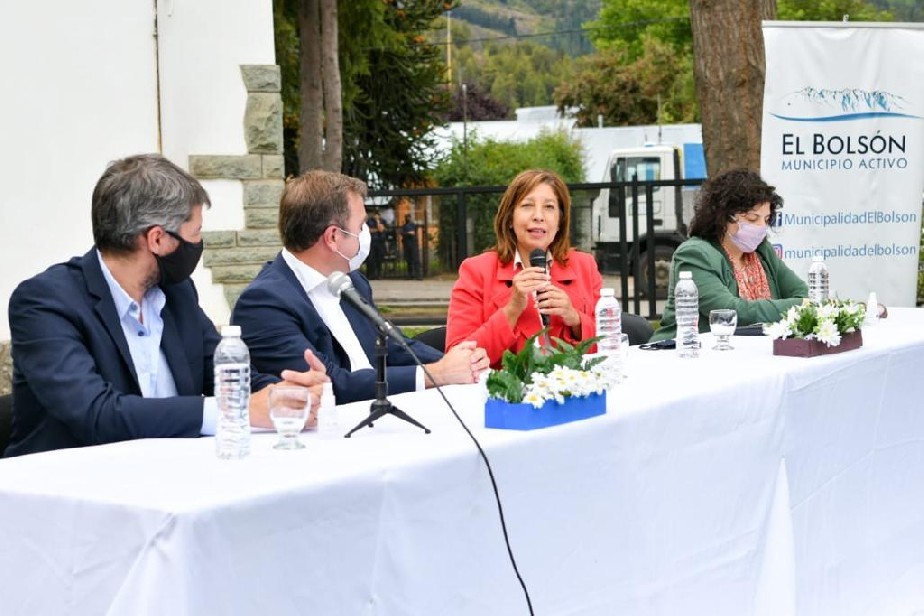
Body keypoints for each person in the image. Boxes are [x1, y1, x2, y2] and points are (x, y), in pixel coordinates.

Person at [5, 154, 327, 458]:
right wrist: (237, 410)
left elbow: (221, 374)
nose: (198, 245)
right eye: (196, 233)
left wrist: (284, 393)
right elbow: (95, 414)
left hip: (172, 473)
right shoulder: (44, 303)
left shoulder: (177, 293)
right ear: (157, 239)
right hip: (66, 493)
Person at [231, 170, 490, 404]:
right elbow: (330, 385)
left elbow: (390, 345)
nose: (366, 233)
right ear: (333, 237)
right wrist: (436, 374)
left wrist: (460, 362)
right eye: (361, 225)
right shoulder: (263, 304)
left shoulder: (352, 281)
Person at [446, 169, 602, 368]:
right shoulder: (476, 271)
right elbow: (456, 361)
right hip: (505, 394)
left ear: (560, 222)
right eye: (527, 206)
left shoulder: (584, 265)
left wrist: (575, 319)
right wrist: (512, 310)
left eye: (549, 207)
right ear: (510, 218)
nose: (538, 216)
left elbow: (610, 346)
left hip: (573, 390)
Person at [649, 168, 809, 342]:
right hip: (689, 353)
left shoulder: (763, 250)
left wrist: (806, 303)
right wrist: (803, 306)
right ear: (723, 217)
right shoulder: (694, 255)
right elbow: (730, 312)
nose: (762, 227)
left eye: (766, 219)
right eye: (753, 219)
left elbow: (802, 292)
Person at [365, 208, 386, 279]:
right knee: (371, 259)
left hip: (380, 242)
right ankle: (371, 274)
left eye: (378, 215)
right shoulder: (369, 221)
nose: (376, 216)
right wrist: (377, 230)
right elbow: (368, 230)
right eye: (375, 214)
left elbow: (381, 229)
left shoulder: (382, 221)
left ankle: (379, 274)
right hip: (372, 242)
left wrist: (377, 222)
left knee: (379, 259)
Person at [401, 213, 422, 279]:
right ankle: (410, 275)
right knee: (409, 260)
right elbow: (402, 233)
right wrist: (408, 233)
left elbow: (412, 233)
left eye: (409, 217)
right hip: (407, 245)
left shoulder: (413, 225)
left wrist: (407, 233)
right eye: (407, 217)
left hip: (413, 245)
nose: (408, 219)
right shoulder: (404, 226)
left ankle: (418, 275)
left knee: (416, 260)